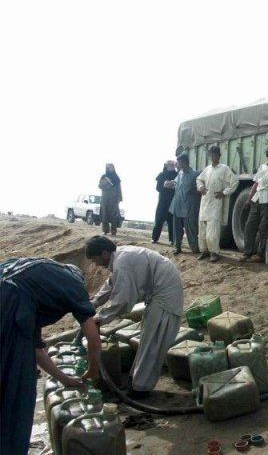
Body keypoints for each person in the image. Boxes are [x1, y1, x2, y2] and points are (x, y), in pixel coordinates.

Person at [0, 258, 101, 455]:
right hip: (7, 305)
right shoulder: (73, 285)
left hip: (8, 301)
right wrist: (94, 370)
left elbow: (37, 350)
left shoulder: (34, 284)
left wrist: (65, 379)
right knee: (16, 387)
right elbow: (93, 339)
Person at [86, 236, 184, 398]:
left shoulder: (122, 263)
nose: (96, 264)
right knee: (148, 339)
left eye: (95, 259)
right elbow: (112, 284)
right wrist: (94, 303)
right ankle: (136, 380)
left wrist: (100, 319)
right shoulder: (120, 258)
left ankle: (140, 388)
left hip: (166, 295)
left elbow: (123, 301)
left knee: (153, 343)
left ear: (104, 253)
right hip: (159, 292)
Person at [241, 145, 268, 262]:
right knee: (249, 226)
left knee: (264, 229)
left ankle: (260, 255)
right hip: (257, 199)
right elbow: (255, 184)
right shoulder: (262, 167)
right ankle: (247, 252)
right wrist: (249, 199)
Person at [196, 147, 239, 262]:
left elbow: (235, 182)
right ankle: (204, 251)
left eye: (216, 155)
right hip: (205, 202)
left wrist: (224, 192)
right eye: (212, 155)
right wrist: (201, 187)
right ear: (210, 156)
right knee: (202, 229)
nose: (214, 157)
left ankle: (214, 252)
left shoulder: (224, 169)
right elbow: (199, 180)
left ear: (219, 156)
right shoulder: (207, 169)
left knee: (213, 230)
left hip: (216, 203)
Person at [169, 153, 201, 255]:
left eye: (178, 162)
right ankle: (177, 247)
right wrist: (170, 184)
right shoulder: (180, 174)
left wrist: (193, 191)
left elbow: (199, 189)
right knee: (177, 229)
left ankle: (195, 248)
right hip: (177, 205)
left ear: (183, 162)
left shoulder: (195, 174)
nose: (177, 164)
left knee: (191, 228)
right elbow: (175, 183)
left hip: (189, 206)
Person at [152, 160, 178, 245]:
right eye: (170, 165)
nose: (171, 166)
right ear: (166, 166)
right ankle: (154, 238)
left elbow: (179, 187)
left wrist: (172, 187)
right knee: (159, 219)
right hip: (162, 201)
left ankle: (172, 240)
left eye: (173, 165)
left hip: (172, 201)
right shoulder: (161, 175)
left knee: (172, 222)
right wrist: (165, 185)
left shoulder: (177, 175)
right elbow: (158, 188)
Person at [99, 163, 123, 236]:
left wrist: (119, 198)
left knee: (113, 215)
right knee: (104, 214)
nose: (108, 169)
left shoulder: (116, 178)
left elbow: (119, 189)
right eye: (107, 167)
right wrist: (107, 182)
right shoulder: (104, 176)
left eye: (110, 167)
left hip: (113, 199)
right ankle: (105, 230)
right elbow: (100, 186)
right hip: (105, 198)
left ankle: (113, 231)